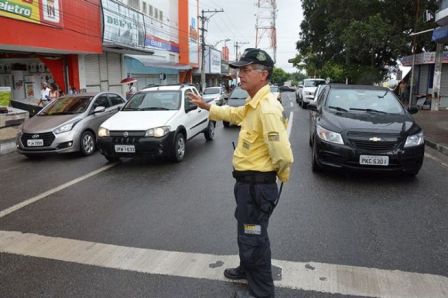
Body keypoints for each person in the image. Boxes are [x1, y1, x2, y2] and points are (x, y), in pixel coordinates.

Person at [189, 48, 293, 298]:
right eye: (239, 70)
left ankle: (262, 293)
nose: (239, 75)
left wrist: (278, 176)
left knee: (253, 239)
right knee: (246, 231)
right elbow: (234, 114)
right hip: (248, 186)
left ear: (263, 74)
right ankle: (246, 269)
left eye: (246, 70)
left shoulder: (267, 108)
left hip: (257, 186)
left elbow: (283, 155)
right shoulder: (253, 102)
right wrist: (207, 107)